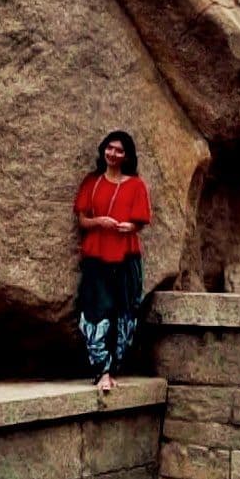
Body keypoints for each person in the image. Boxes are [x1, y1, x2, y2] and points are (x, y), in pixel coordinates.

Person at [73, 130, 151, 392]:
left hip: (126, 255)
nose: (113, 154)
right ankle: (102, 371)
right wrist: (100, 222)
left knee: (125, 311)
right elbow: (82, 219)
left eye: (119, 150)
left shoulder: (136, 184)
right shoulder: (92, 182)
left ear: (127, 155)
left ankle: (114, 367)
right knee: (96, 310)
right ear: (103, 149)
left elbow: (139, 221)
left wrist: (130, 227)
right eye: (110, 148)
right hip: (97, 254)